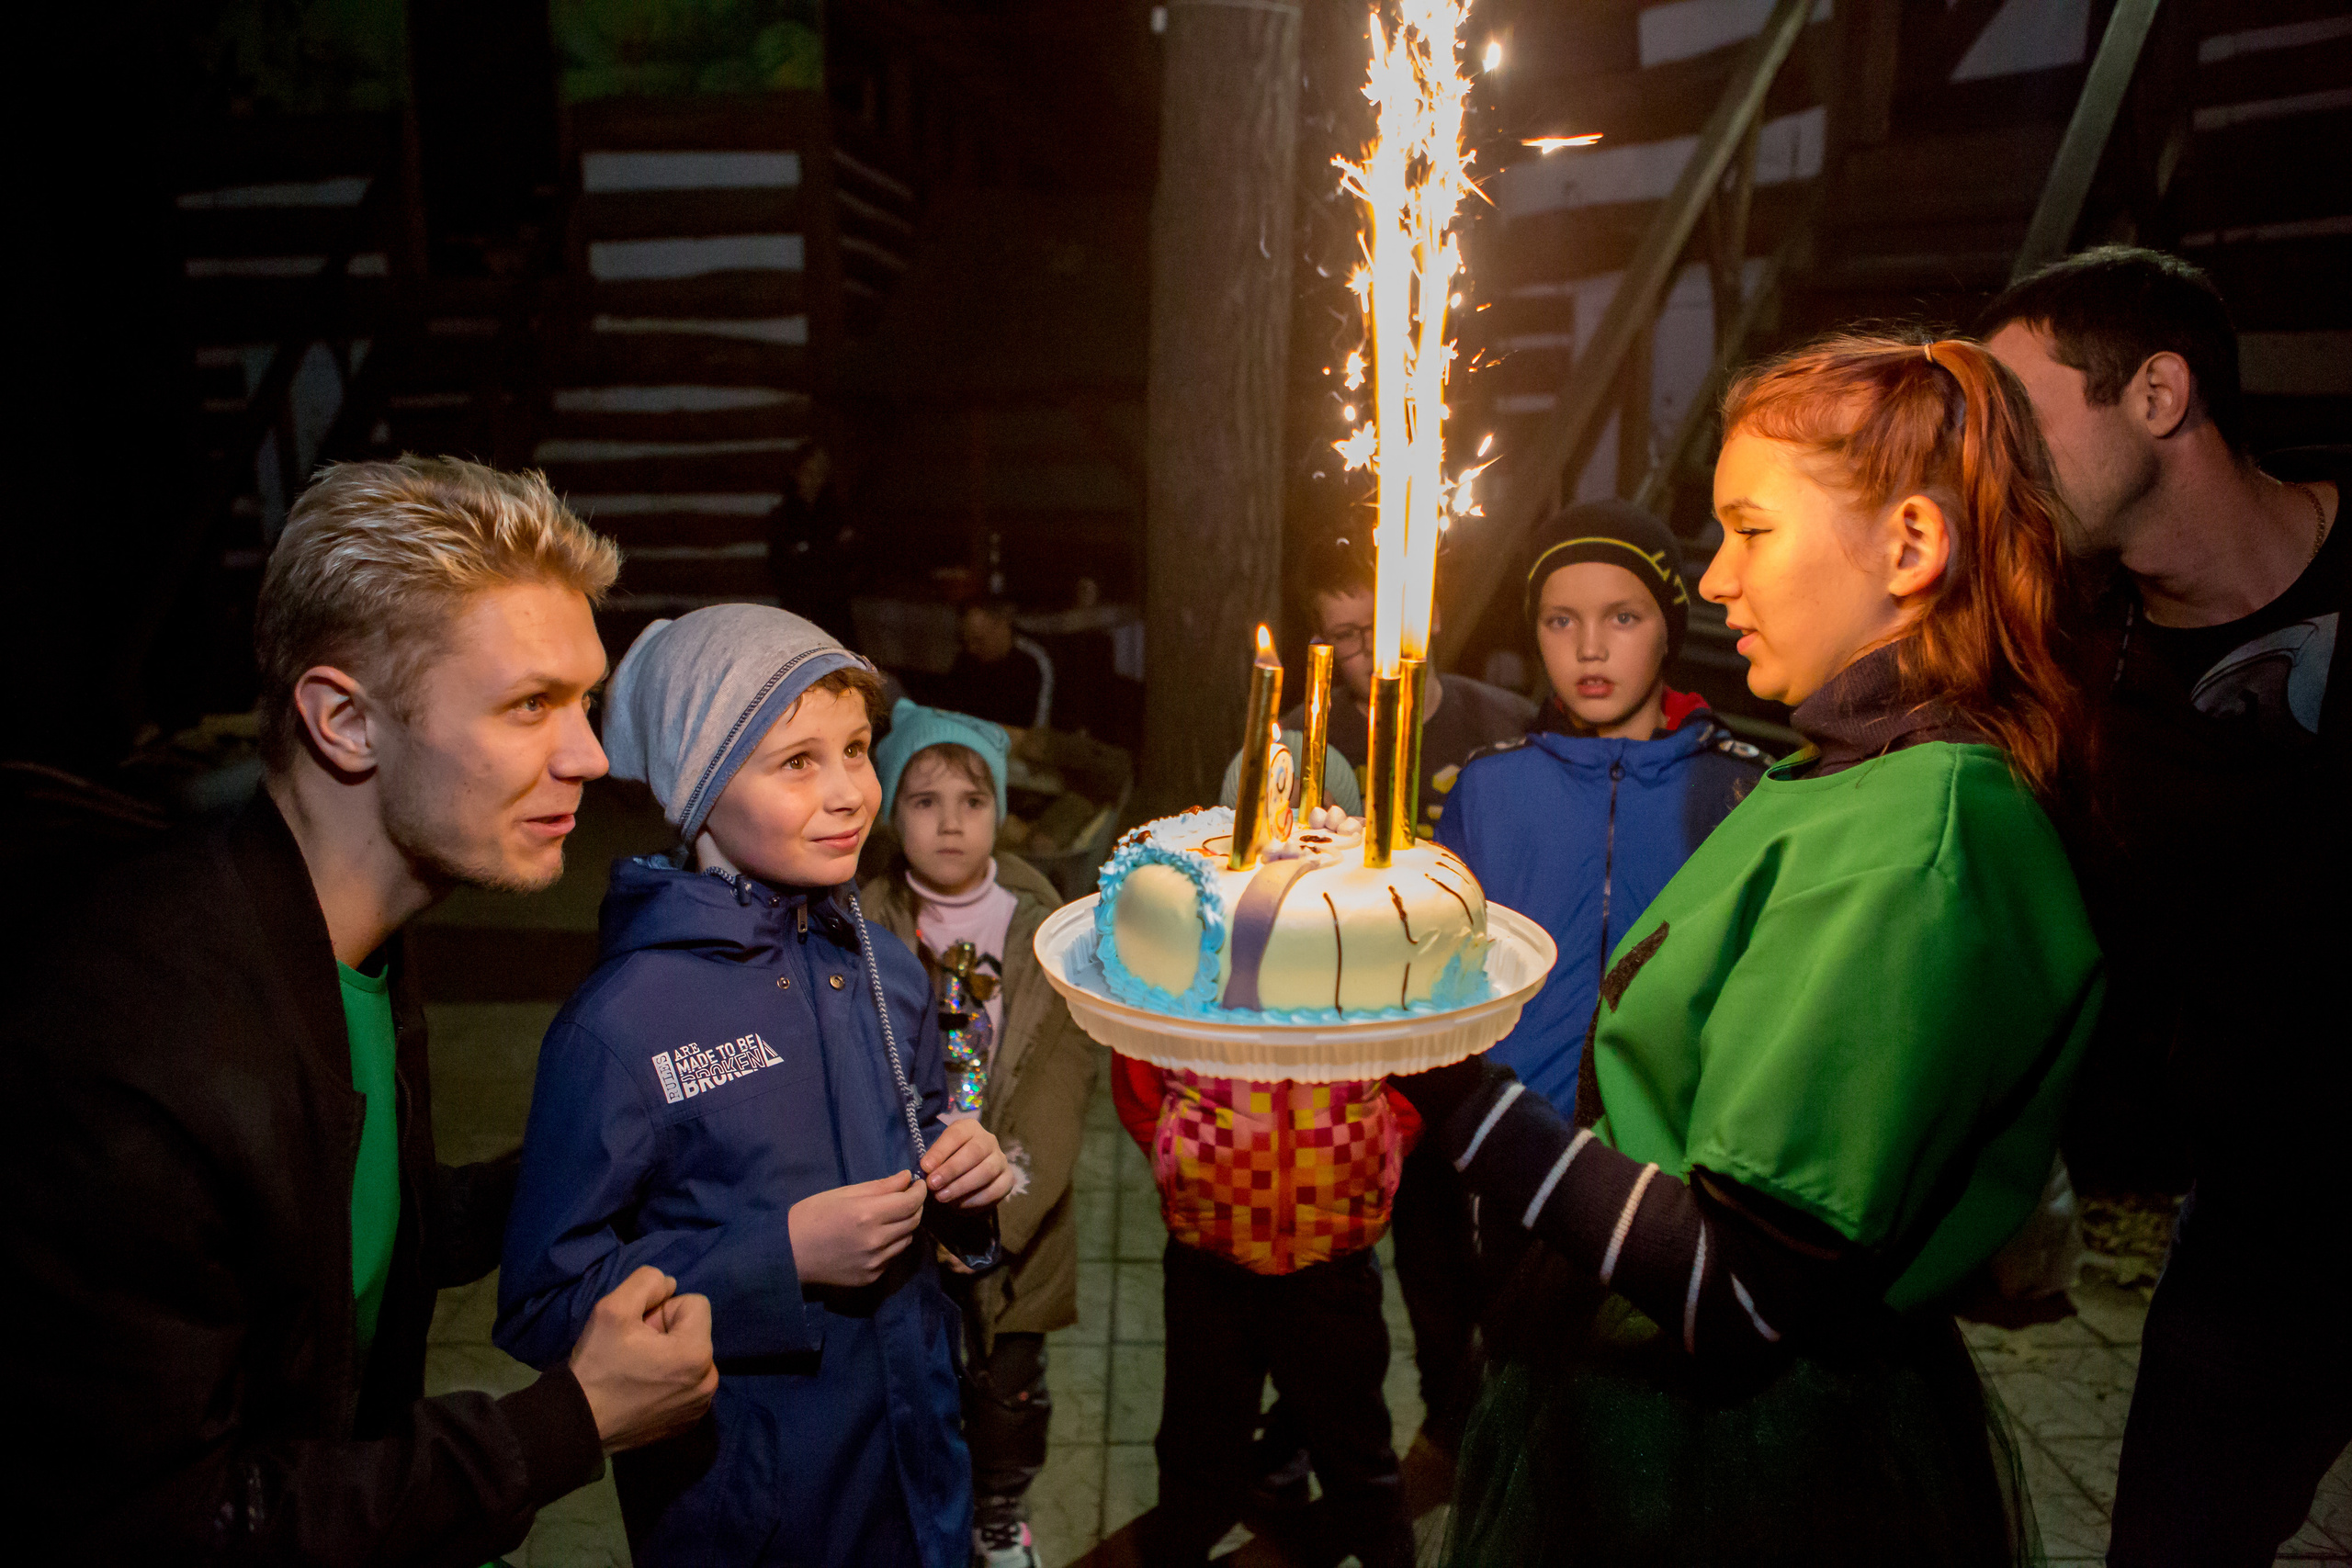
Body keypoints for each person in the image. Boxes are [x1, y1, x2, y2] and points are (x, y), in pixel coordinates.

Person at [1390, 333, 2105, 1566]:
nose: (1714, 581)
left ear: (1912, 546)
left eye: (1751, 530)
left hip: (1747, 1471)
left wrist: (1433, 1071)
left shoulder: (1915, 841)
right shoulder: (1826, 778)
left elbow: (1740, 1289)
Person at [0, 457, 719, 1562]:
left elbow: (332, 1232)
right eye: (532, 705)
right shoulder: (142, 1058)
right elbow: (168, 1522)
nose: (591, 755)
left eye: (585, 702)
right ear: (345, 722)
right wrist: (564, 1424)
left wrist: (612, 1155)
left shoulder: (363, 926)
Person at [494, 605, 1015, 1568]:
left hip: (918, 1485)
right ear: (700, 787)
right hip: (753, 1516)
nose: (850, 792)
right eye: (795, 762)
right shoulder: (621, 1026)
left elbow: (927, 1129)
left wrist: (968, 1186)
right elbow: (544, 1299)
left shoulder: (886, 968)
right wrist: (778, 1259)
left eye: (856, 749)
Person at [1980, 246, 2348, 1568]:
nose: (1999, 460)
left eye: (2024, 420)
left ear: (2159, 393)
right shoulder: (2076, 670)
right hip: (2265, 1232)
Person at [1412, 502, 1767, 1450]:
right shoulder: (1490, 785)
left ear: (1670, 625)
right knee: (1523, 1390)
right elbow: (1443, 967)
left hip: (1670, 1157)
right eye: (1558, 620)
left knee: (1648, 1407)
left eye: (1622, 615)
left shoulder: (1739, 787)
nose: (1588, 647)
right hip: (1517, 1148)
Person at [861, 699, 1102, 1568]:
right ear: (892, 812)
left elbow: (1059, 1089)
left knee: (1008, 1386)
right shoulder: (862, 926)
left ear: (1001, 810)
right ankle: (927, 1507)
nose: (950, 821)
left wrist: (999, 1216)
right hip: (907, 1211)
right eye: (924, 800)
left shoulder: (1050, 932)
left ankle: (1000, 1511)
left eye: (971, 799)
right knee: (917, 1383)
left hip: (1018, 1216)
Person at [1112, 1050, 1422, 1568]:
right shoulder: (1186, 967)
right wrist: (1173, 1152)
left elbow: (1416, 1065)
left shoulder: (1369, 970)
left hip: (1333, 1257)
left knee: (1357, 1451)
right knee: (1197, 1445)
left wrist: (1385, 1145)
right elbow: (1138, 1063)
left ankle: (1379, 1546)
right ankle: (1184, 1542)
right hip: (1209, 1254)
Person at [1226, 533, 1533, 836]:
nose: (1374, 646)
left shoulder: (1514, 726)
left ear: (1432, 614)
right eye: (1346, 635)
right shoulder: (1300, 742)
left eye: (1386, 621)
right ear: (1324, 646)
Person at [933, 599, 1055, 730]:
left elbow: (1039, 730)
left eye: (979, 640)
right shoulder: (966, 660)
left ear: (1002, 626)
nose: (971, 649)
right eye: (966, 641)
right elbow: (948, 712)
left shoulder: (1034, 662)